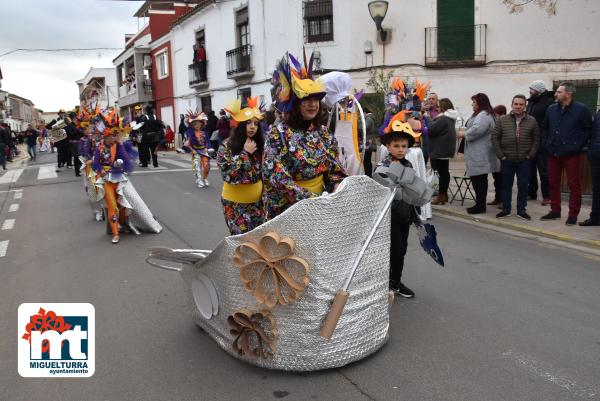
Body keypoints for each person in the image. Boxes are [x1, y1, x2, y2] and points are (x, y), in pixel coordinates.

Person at [264, 50, 346, 220]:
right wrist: (312, 201)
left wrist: (338, 186)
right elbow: (276, 177)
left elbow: (334, 169)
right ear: (295, 104)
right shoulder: (278, 134)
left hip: (322, 209)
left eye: (316, 99)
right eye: (306, 99)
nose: (312, 104)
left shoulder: (324, 133)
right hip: (289, 212)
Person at [375, 113, 421, 298]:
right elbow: (381, 191)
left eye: (404, 146)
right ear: (388, 146)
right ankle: (391, 282)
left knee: (401, 249)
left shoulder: (408, 163)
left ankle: (394, 280)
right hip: (390, 216)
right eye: (396, 146)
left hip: (404, 214)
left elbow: (412, 189)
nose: (401, 149)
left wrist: (414, 211)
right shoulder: (382, 167)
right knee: (394, 249)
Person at [541, 82, 593, 225]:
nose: (555, 94)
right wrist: (546, 144)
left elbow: (588, 130)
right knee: (552, 183)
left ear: (568, 94)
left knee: (574, 184)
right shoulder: (551, 109)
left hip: (572, 154)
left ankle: (573, 214)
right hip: (552, 152)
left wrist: (577, 145)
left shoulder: (581, 109)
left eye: (558, 92)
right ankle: (555, 211)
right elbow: (544, 128)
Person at [217, 97, 265, 235]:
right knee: (241, 241)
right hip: (234, 204)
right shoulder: (226, 146)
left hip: (258, 204)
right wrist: (245, 154)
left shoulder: (261, 146)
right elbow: (228, 174)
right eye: (248, 122)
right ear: (239, 124)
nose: (252, 127)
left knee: (257, 242)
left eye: (256, 124)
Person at [492, 95, 540, 220]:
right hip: (507, 159)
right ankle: (506, 209)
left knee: (523, 186)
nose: (518, 106)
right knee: (506, 186)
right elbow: (495, 138)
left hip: (525, 160)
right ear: (512, 105)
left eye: (521, 104)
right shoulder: (502, 120)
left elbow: (536, 139)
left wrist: (531, 154)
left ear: (525, 106)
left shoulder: (532, 121)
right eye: (516, 104)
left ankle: (521, 210)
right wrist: (500, 155)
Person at [461, 93, 497, 214]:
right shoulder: (482, 114)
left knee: (479, 180)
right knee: (478, 179)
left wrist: (464, 134)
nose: (472, 104)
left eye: (474, 102)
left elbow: (477, 129)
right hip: (478, 152)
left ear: (480, 103)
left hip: (480, 153)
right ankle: (480, 203)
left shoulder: (484, 115)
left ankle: (480, 205)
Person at [526, 80, 554, 205]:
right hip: (530, 141)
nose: (530, 91)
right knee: (530, 169)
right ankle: (532, 193)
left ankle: (547, 196)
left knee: (544, 171)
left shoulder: (549, 103)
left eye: (532, 89)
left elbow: (551, 124)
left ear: (538, 90)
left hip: (542, 141)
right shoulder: (531, 102)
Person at [429, 98, 458, 205]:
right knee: (444, 172)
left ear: (443, 107)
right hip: (444, 148)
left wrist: (427, 119)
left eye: (438, 106)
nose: (437, 108)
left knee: (442, 173)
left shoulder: (444, 118)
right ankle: (443, 195)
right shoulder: (450, 117)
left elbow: (432, 130)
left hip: (441, 148)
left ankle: (441, 195)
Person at [579, 109, 600, 226]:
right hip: (596, 156)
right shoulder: (598, 114)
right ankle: (595, 218)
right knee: (597, 190)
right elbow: (592, 134)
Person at [185, 110, 212, 188]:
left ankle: (205, 178)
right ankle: (199, 180)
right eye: (195, 124)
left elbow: (208, 142)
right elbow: (188, 143)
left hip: (204, 151)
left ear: (201, 124)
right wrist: (192, 150)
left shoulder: (204, 133)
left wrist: (209, 148)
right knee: (197, 167)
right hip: (196, 151)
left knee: (207, 166)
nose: (197, 125)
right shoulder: (191, 133)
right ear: (192, 125)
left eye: (198, 124)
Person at [66, 112, 83, 176]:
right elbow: (70, 135)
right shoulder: (70, 126)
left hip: (78, 143)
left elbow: (80, 134)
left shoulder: (76, 125)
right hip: (74, 143)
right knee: (77, 158)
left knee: (79, 158)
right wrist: (77, 130)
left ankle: (79, 171)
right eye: (76, 118)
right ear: (73, 118)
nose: (77, 119)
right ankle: (77, 172)